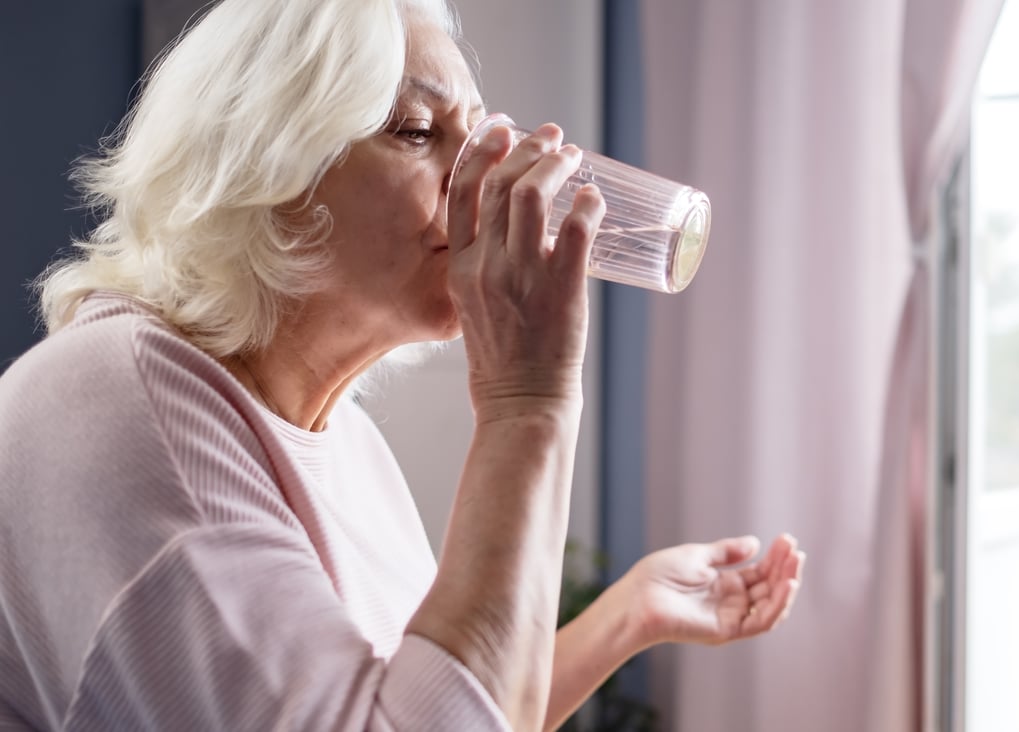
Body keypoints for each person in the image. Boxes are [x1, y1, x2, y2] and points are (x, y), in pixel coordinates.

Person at [0, 0, 805, 730]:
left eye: (482, 133)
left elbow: (434, 707)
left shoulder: (342, 441)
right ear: (265, 171)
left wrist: (624, 617)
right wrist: (528, 404)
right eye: (419, 132)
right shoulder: (119, 403)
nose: (484, 179)